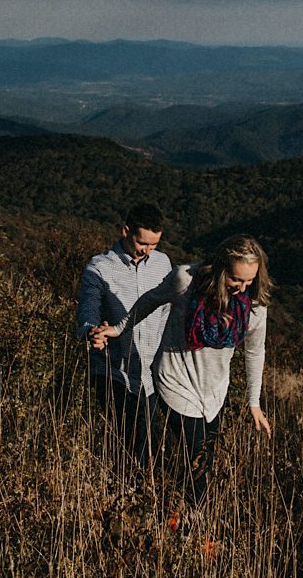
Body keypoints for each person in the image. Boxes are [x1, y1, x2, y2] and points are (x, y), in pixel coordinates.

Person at [122, 234, 272, 507]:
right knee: (199, 461)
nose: (242, 287)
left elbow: (254, 351)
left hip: (214, 393)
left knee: (203, 460)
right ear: (220, 268)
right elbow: (150, 300)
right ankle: (191, 523)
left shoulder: (254, 308)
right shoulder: (185, 281)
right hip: (175, 381)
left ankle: (166, 508)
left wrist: (254, 402)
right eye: (236, 279)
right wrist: (120, 327)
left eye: (249, 280)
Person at [77, 202, 173, 464]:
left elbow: (168, 312)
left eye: (154, 244)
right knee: (124, 444)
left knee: (149, 445)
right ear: (126, 231)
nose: (148, 250)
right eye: (143, 243)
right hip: (113, 373)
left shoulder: (163, 264)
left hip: (152, 374)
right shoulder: (99, 268)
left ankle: (138, 496)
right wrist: (92, 332)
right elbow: (88, 310)